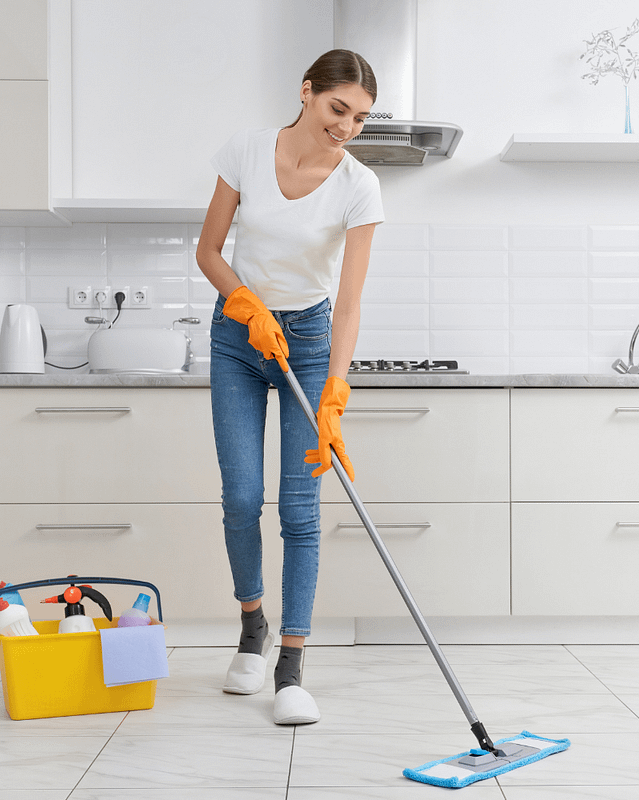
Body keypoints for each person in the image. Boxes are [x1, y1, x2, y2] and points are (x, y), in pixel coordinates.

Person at [195, 49, 383, 725]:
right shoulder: (246, 150)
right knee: (243, 498)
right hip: (238, 337)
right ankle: (253, 626)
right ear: (306, 92)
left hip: (306, 342)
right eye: (338, 108)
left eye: (360, 117)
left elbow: (351, 303)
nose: (347, 126)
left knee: (299, 509)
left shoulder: (360, 186)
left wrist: (335, 393)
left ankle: (292, 664)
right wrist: (244, 302)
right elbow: (210, 249)